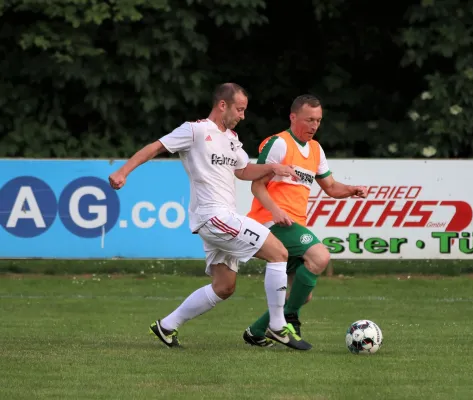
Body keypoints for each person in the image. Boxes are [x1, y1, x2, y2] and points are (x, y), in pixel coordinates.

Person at [108, 83, 311, 350]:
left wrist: (274, 168)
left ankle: (166, 326)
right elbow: (156, 147)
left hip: (222, 217)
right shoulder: (195, 130)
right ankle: (276, 325)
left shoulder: (232, 138)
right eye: (239, 109)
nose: (242, 116)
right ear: (222, 105)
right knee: (279, 253)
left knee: (224, 286)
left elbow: (243, 171)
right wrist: (123, 171)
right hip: (213, 216)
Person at [242, 94, 366, 349]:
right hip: (270, 222)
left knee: (302, 294)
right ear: (293, 117)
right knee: (320, 256)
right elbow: (257, 185)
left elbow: (330, 186)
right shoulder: (279, 143)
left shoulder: (316, 149)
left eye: (318, 120)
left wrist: (351, 190)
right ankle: (288, 319)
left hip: (293, 225)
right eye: (309, 119)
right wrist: (275, 211)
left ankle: (256, 331)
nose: (314, 125)